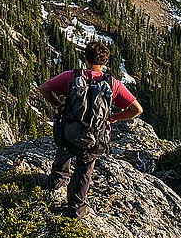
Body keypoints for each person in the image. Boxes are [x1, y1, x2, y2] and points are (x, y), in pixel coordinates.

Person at [39, 40, 143, 218]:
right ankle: (76, 209)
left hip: (69, 132)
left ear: (85, 59)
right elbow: (137, 110)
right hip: (94, 138)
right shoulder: (113, 84)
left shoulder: (71, 76)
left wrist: (59, 106)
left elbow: (44, 89)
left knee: (64, 151)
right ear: (105, 62)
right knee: (84, 170)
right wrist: (113, 117)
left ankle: (55, 182)